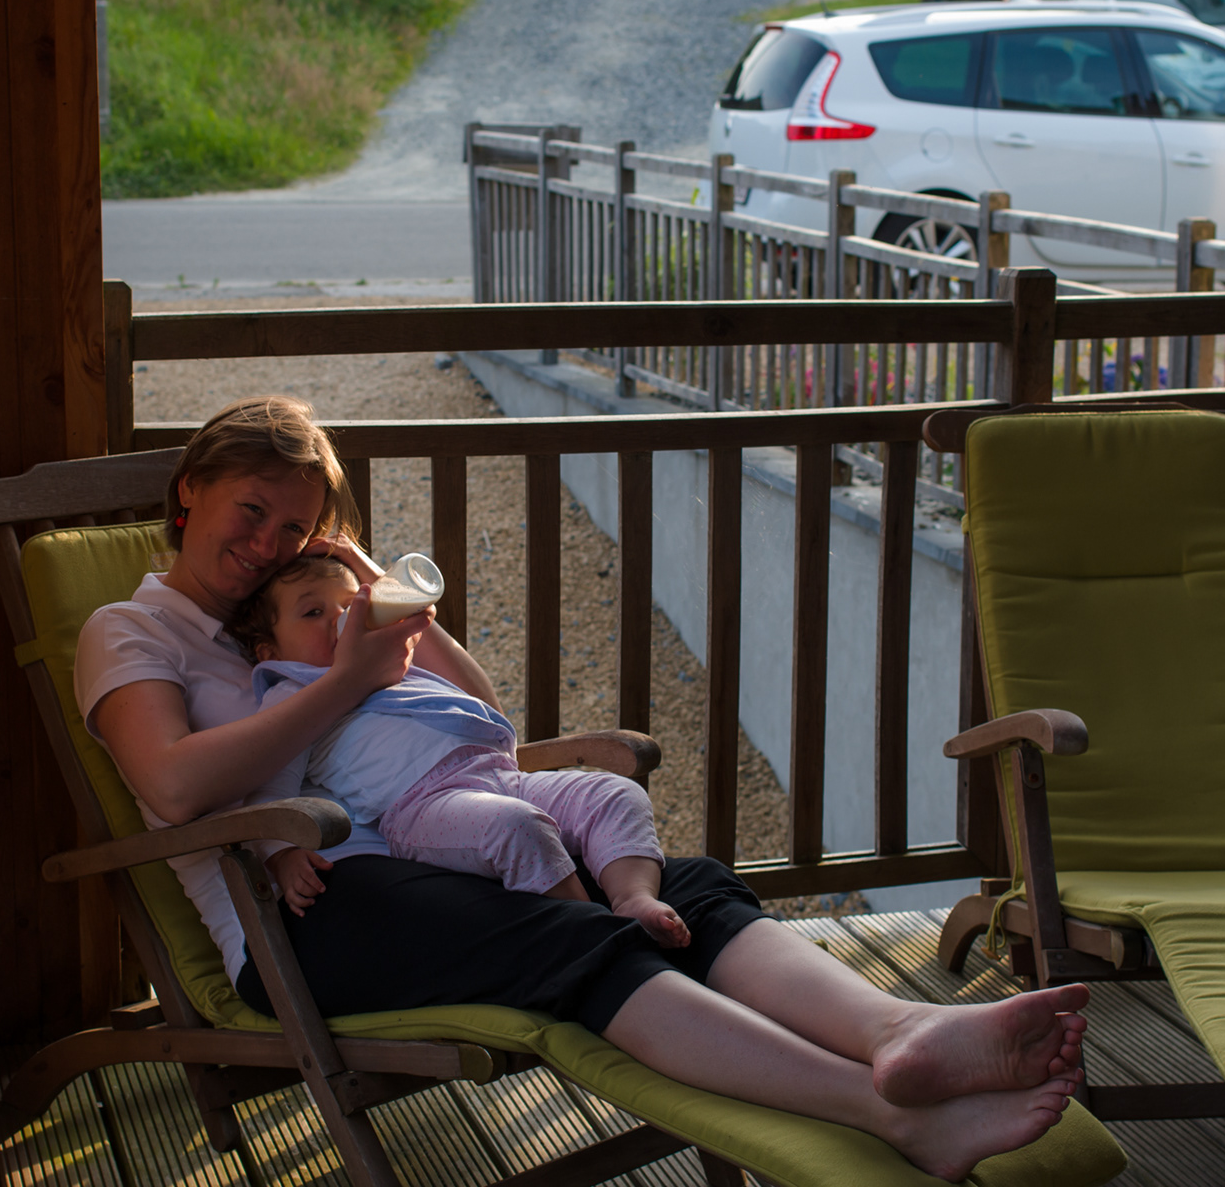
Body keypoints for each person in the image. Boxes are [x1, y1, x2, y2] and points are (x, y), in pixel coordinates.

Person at [75, 395, 1090, 1183]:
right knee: (569, 933)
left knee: (681, 887)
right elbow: (173, 788)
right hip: (300, 913)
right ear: (189, 492)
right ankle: (887, 1112)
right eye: (250, 511)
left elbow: (487, 719)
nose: (268, 542)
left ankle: (899, 1033)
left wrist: (382, 597)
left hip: (423, 842)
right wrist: (343, 680)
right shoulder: (132, 632)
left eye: (295, 527)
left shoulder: (310, 606)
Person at [229, 554, 689, 946]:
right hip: (424, 807)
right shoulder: (292, 696)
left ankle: (634, 898)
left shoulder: (391, 667)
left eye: (352, 606)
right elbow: (268, 788)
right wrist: (282, 856)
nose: (342, 620)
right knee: (516, 827)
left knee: (615, 793)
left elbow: (475, 693)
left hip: (501, 776)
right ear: (269, 652)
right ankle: (595, 934)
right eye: (313, 613)